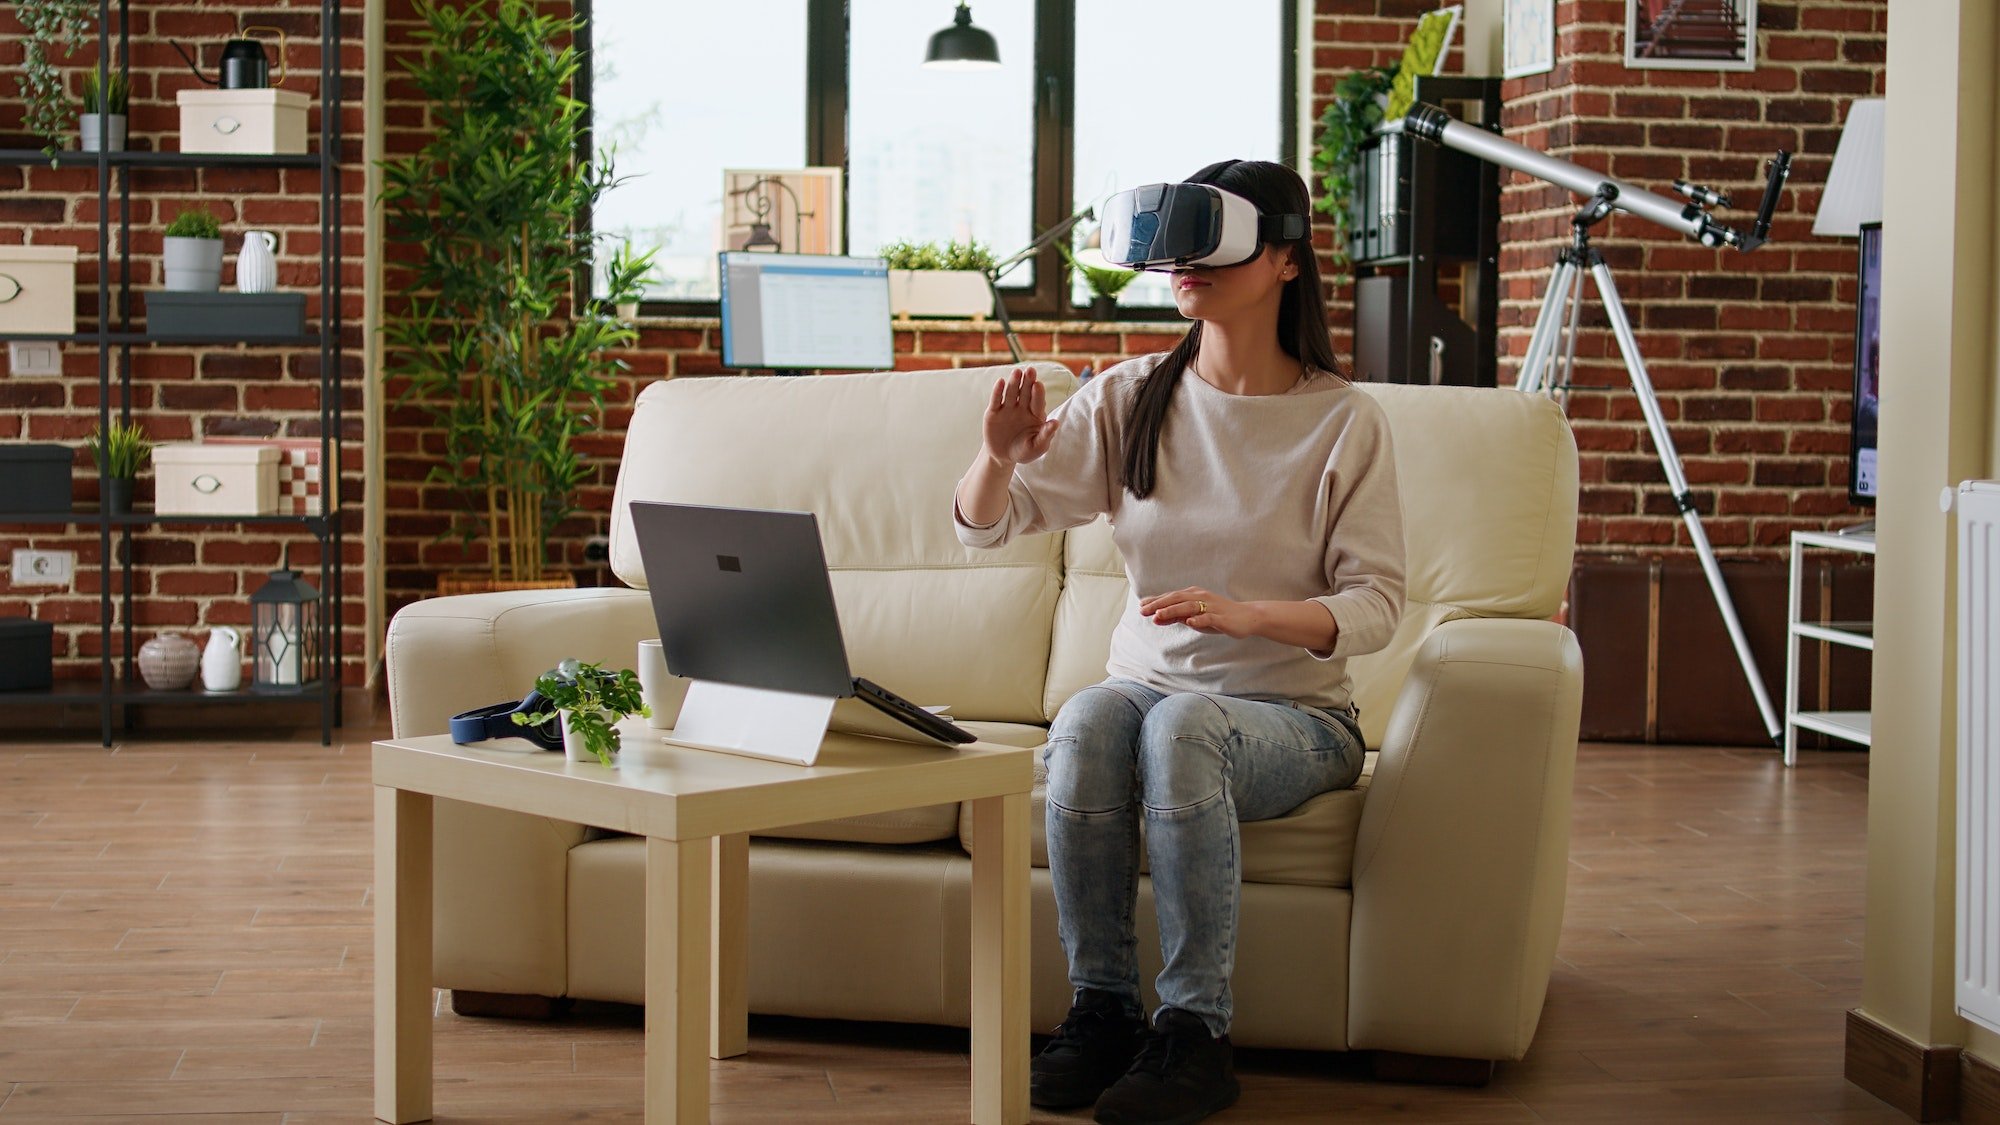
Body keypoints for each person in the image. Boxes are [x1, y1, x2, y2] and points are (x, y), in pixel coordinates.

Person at [952, 159, 1405, 1125]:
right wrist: (997, 456)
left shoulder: (1342, 421)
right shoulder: (1131, 397)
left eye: (1215, 241)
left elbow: (1377, 605)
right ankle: (1103, 1008)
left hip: (1295, 718)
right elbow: (988, 526)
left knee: (1185, 725)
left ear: (1285, 259)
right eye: (1177, 247)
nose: (1186, 266)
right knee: (1084, 720)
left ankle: (1196, 1029)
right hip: (1152, 699)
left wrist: (1257, 616)